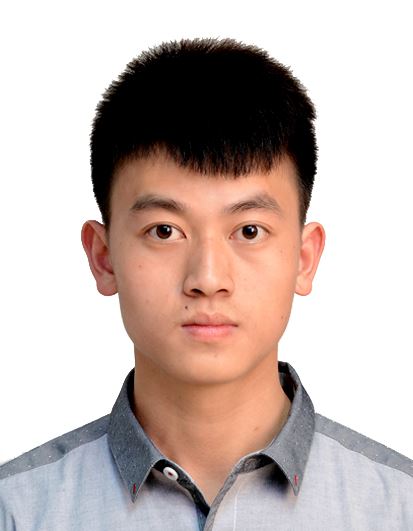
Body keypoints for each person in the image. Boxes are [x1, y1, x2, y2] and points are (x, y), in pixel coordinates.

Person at [0, 37, 411, 530]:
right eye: (164, 231)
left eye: (249, 231)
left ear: (305, 258)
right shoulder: (17, 511)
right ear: (103, 257)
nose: (208, 279)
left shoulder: (398, 509)